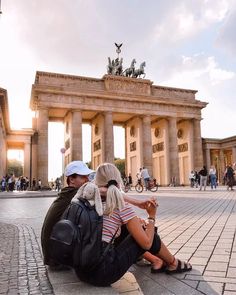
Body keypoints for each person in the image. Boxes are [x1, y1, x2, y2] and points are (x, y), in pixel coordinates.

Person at [75, 163, 192, 287]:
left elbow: (110, 194)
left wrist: (136, 205)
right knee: (147, 233)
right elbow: (146, 243)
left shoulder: (87, 197)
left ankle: (161, 261)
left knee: (136, 230)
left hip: (82, 269)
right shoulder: (119, 204)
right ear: (117, 179)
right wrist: (151, 216)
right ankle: (174, 263)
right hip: (102, 273)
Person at [41, 161, 94, 268]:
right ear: (71, 179)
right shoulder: (75, 193)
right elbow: (100, 193)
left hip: (53, 256)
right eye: (83, 177)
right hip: (58, 259)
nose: (87, 179)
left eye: (87, 176)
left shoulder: (67, 193)